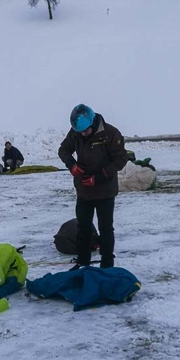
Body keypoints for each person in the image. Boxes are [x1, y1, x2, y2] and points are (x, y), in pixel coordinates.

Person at [58, 104, 128, 269]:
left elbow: (120, 159)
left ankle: (107, 264)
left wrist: (99, 177)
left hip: (105, 191)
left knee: (105, 229)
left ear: (93, 122)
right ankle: (83, 262)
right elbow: (63, 150)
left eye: (86, 131)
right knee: (83, 227)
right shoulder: (75, 133)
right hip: (84, 191)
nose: (82, 134)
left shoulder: (110, 134)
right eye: (79, 132)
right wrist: (71, 165)